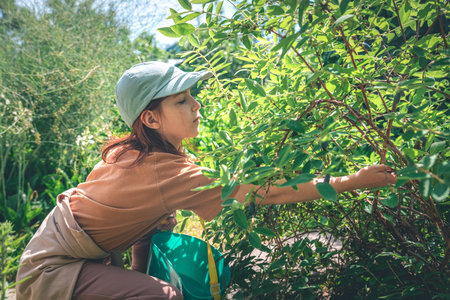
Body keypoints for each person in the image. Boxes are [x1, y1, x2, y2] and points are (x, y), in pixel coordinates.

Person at [15, 61, 396, 300]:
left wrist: (131, 276)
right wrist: (353, 180)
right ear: (150, 119)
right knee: (162, 296)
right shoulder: (169, 173)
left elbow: (138, 225)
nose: (196, 105)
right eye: (181, 101)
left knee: (159, 233)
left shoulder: (140, 155)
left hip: (62, 252)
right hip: (52, 270)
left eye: (192, 96)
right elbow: (270, 193)